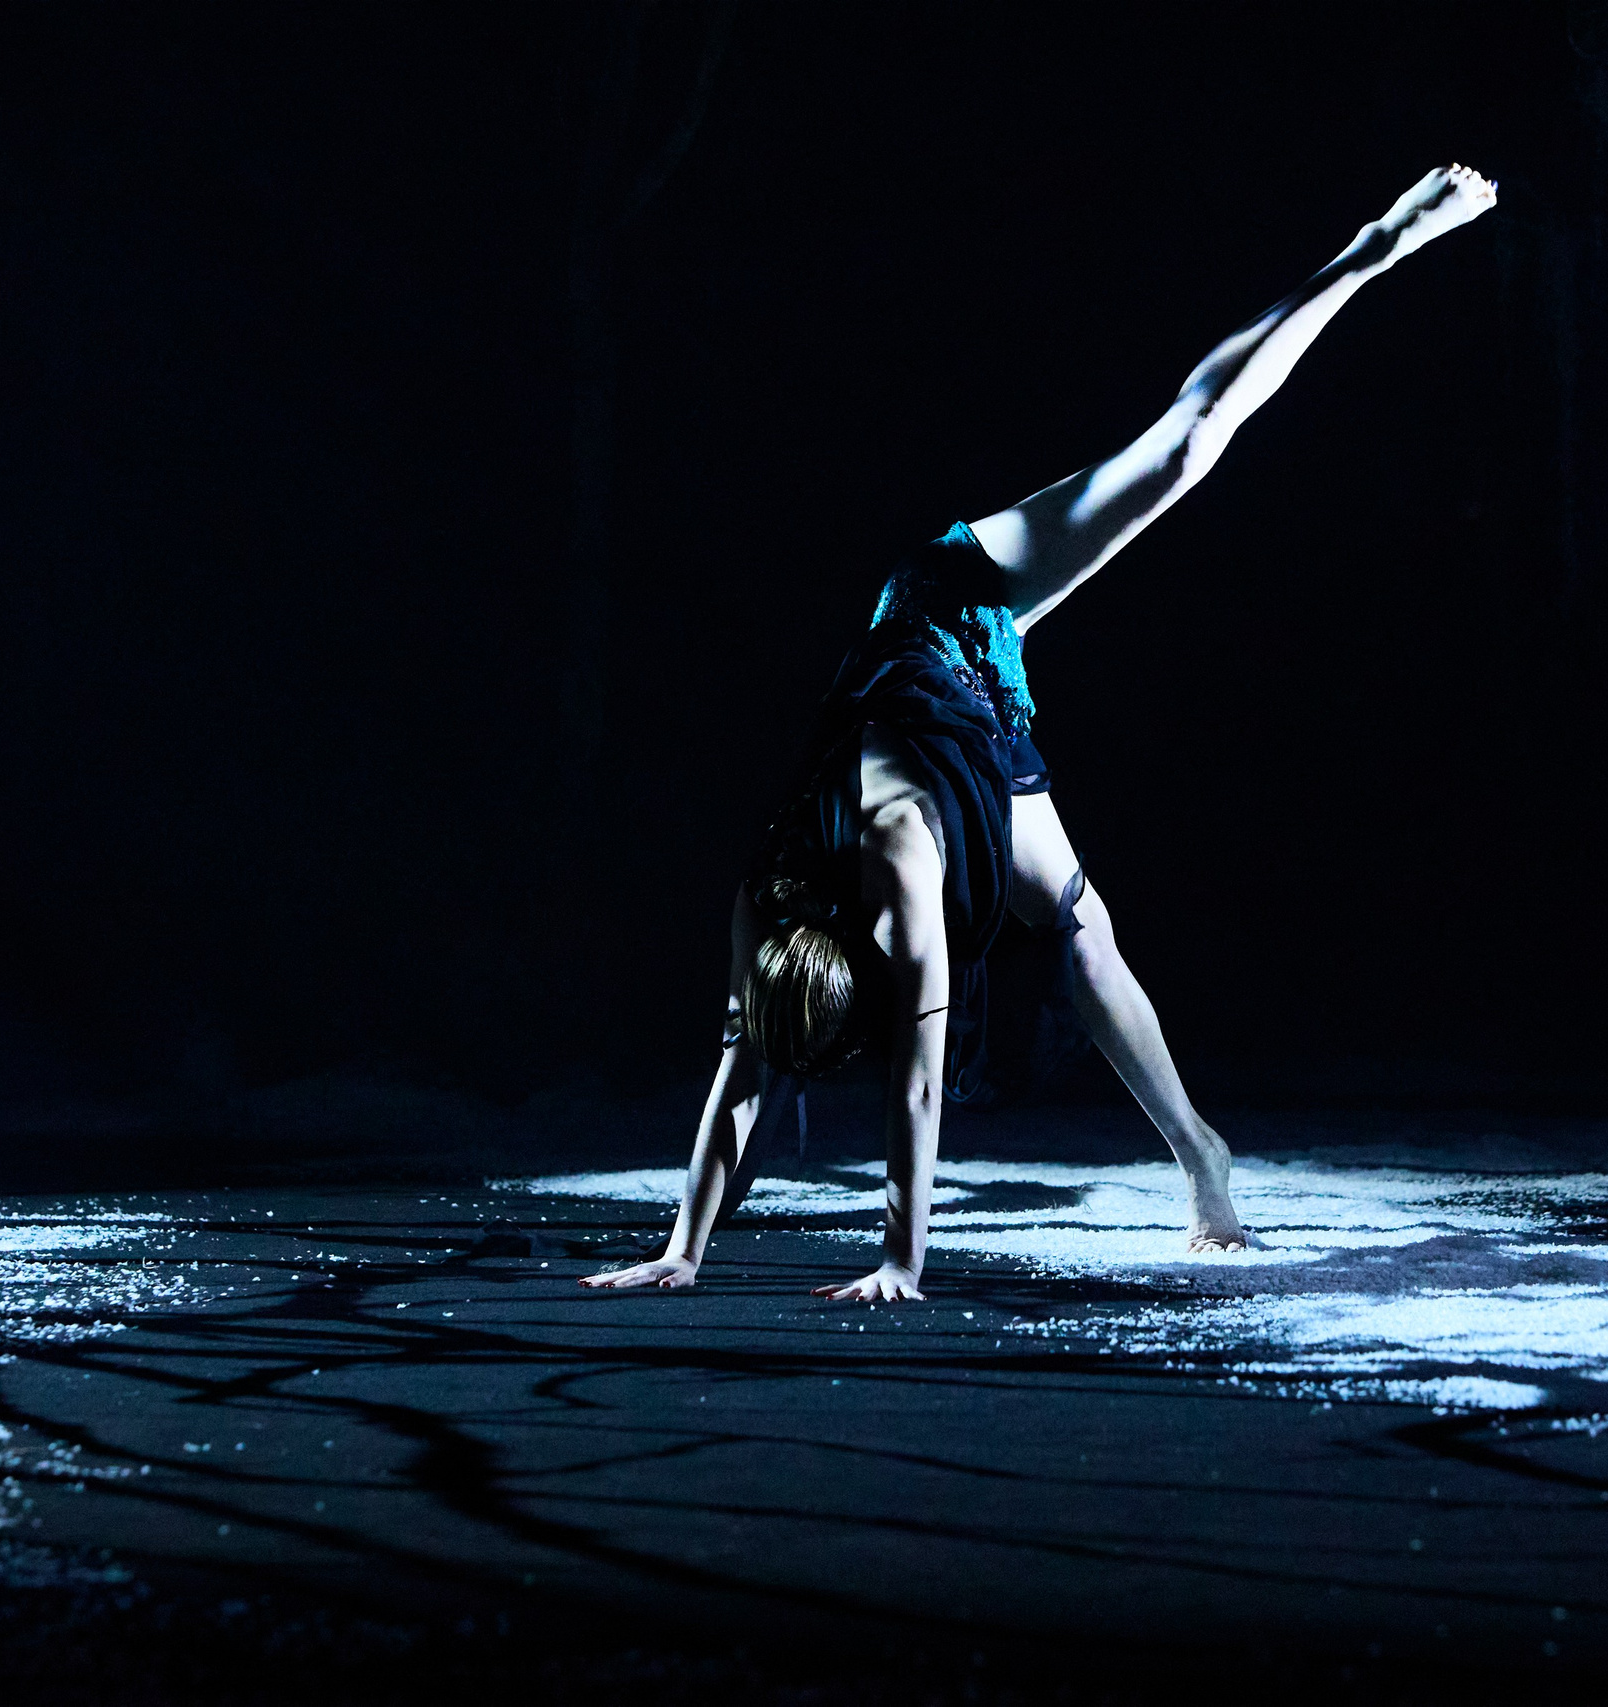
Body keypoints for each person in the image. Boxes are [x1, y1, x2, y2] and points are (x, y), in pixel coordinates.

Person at [581, 163, 1500, 1303]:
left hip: (942, 612)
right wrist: (684, 1248)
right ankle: (1203, 1153)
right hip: (957, 740)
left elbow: (917, 1092)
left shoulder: (903, 878)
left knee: (1180, 447)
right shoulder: (765, 915)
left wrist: (898, 1264)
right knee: (1079, 937)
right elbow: (741, 1082)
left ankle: (1374, 244)